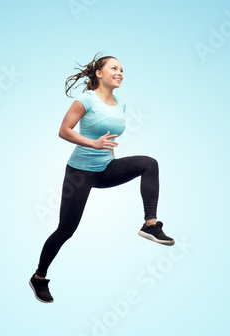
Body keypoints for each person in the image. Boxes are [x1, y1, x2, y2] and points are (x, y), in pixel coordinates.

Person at [29, 53, 174, 303]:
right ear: (99, 73)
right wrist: (92, 144)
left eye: (122, 69)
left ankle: (150, 225)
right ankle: (39, 278)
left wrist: (106, 150)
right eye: (114, 68)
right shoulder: (86, 99)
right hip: (80, 174)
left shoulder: (120, 104)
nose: (120, 73)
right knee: (66, 230)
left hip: (105, 169)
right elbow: (64, 130)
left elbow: (109, 137)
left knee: (149, 164)